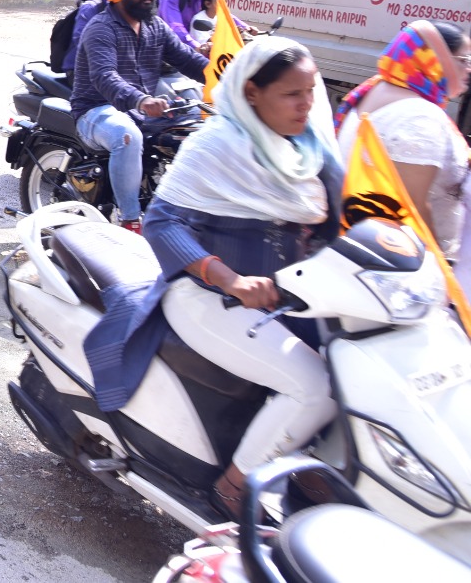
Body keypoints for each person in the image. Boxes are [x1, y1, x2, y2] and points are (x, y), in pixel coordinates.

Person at [87, 38, 341, 517]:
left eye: (311, 91)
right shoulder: (217, 143)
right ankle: (233, 487)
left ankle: (305, 467)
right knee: (317, 387)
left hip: (292, 298)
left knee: (357, 371)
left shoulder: (311, 148)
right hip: (210, 298)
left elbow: (348, 217)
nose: (307, 103)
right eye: (292, 93)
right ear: (251, 92)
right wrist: (228, 279)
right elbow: (163, 222)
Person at [70, 0, 209, 231]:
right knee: (127, 136)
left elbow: (187, 59)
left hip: (140, 109)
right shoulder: (101, 28)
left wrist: (230, 77)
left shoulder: (154, 26)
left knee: (201, 123)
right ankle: (130, 219)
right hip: (96, 109)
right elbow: (104, 76)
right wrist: (142, 99)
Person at [335, 21, 471, 263]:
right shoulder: (419, 116)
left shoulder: (374, 89)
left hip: (366, 242)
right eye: (464, 60)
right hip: (400, 259)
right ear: (436, 59)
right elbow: (413, 205)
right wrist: (437, 265)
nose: (468, 70)